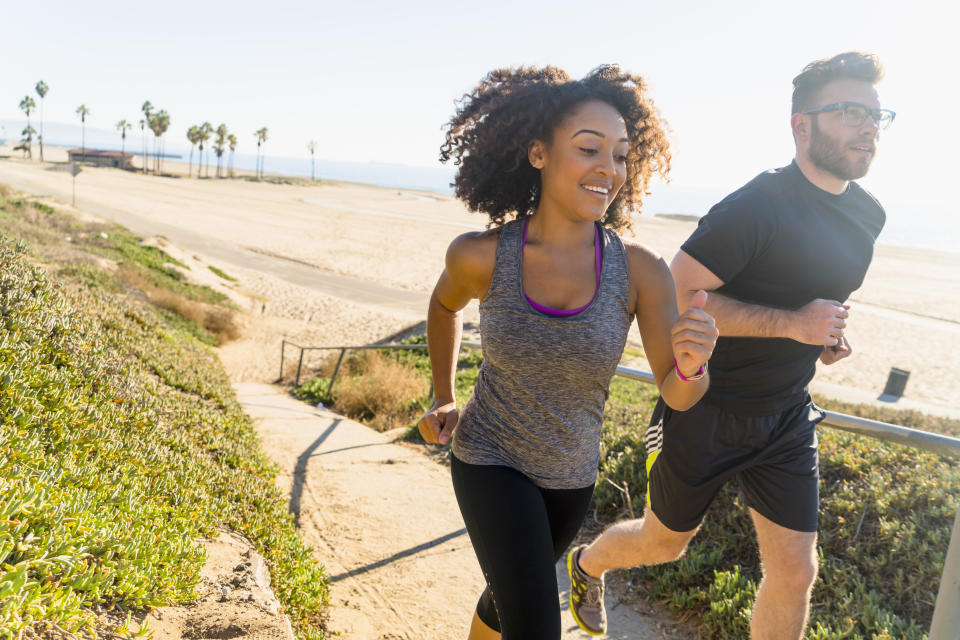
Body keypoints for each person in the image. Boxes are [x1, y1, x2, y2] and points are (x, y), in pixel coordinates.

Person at [567, 51, 892, 639]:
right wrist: (794, 323)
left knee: (796, 571)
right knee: (663, 545)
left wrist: (826, 336)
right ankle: (587, 564)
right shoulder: (758, 205)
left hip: (786, 416)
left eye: (876, 115)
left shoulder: (869, 216)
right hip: (705, 407)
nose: (869, 127)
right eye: (850, 112)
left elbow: (823, 295)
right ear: (803, 125)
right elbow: (675, 294)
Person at [416, 65, 719, 640]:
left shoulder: (641, 271)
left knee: (506, 602)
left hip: (569, 479)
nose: (609, 168)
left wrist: (692, 361)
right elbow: (443, 307)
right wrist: (443, 393)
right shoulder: (481, 257)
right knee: (535, 623)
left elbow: (679, 392)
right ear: (538, 153)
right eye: (589, 149)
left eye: (622, 155)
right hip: (489, 459)